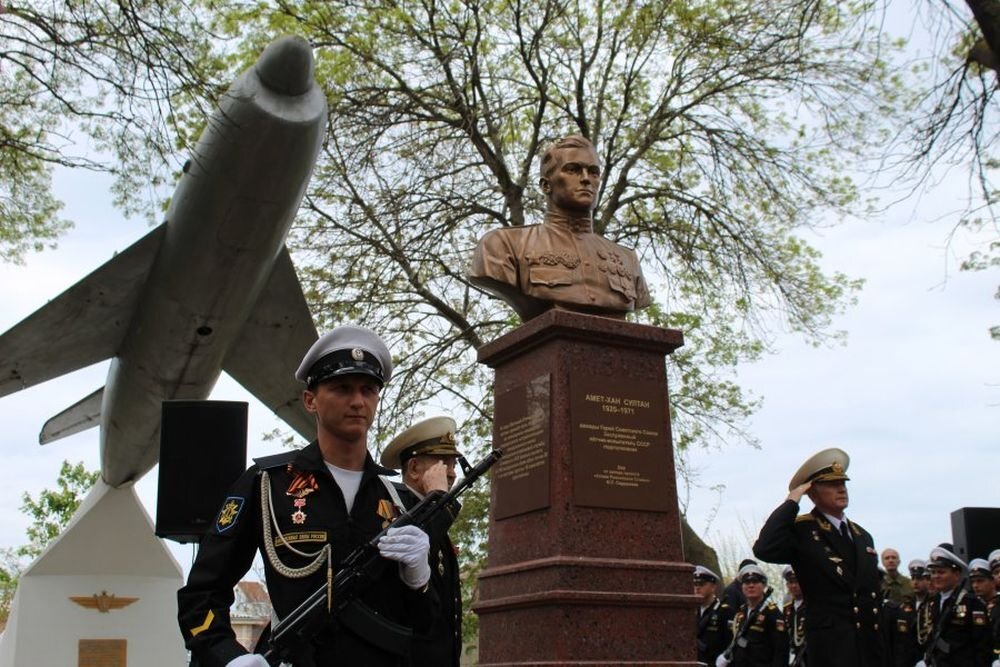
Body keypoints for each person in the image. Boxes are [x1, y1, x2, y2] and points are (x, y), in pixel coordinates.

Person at [177, 325, 447, 667]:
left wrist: (419, 580)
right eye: (342, 389)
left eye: (368, 390)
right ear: (310, 400)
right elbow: (201, 593)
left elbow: (427, 627)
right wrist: (228, 658)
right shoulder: (267, 486)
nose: (357, 401)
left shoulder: (399, 498)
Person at [468, 134, 651, 321]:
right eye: (573, 170)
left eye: (594, 172)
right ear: (546, 185)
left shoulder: (628, 260)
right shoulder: (503, 245)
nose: (586, 179)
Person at [752, 448, 882, 667]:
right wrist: (792, 502)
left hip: (868, 647)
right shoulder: (803, 531)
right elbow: (765, 548)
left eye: (843, 483)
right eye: (832, 484)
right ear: (812, 492)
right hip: (832, 648)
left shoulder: (862, 536)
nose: (841, 489)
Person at [380, 416, 464, 667]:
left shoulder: (434, 515)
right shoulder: (396, 508)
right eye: (442, 464)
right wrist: (439, 498)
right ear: (414, 468)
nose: (451, 473)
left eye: (453, 464)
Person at [917, 543, 992, 666]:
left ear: (956, 574)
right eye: (933, 572)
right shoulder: (931, 603)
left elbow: (983, 645)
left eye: (941, 572)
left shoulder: (972, 603)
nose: (936, 576)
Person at [716, 563, 787, 667]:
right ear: (742, 587)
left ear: (763, 586)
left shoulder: (772, 614)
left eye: (755, 582)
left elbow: (781, 652)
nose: (751, 585)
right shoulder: (741, 613)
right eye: (747, 582)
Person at [693, 565, 733, 665]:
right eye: (695, 584)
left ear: (713, 587)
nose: (697, 587)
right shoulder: (691, 611)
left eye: (702, 584)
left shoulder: (724, 611)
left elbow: (730, 642)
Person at [782, 566, 807, 666]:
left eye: (797, 582)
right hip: (795, 656)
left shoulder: (812, 606)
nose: (794, 586)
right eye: (791, 583)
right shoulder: (787, 608)